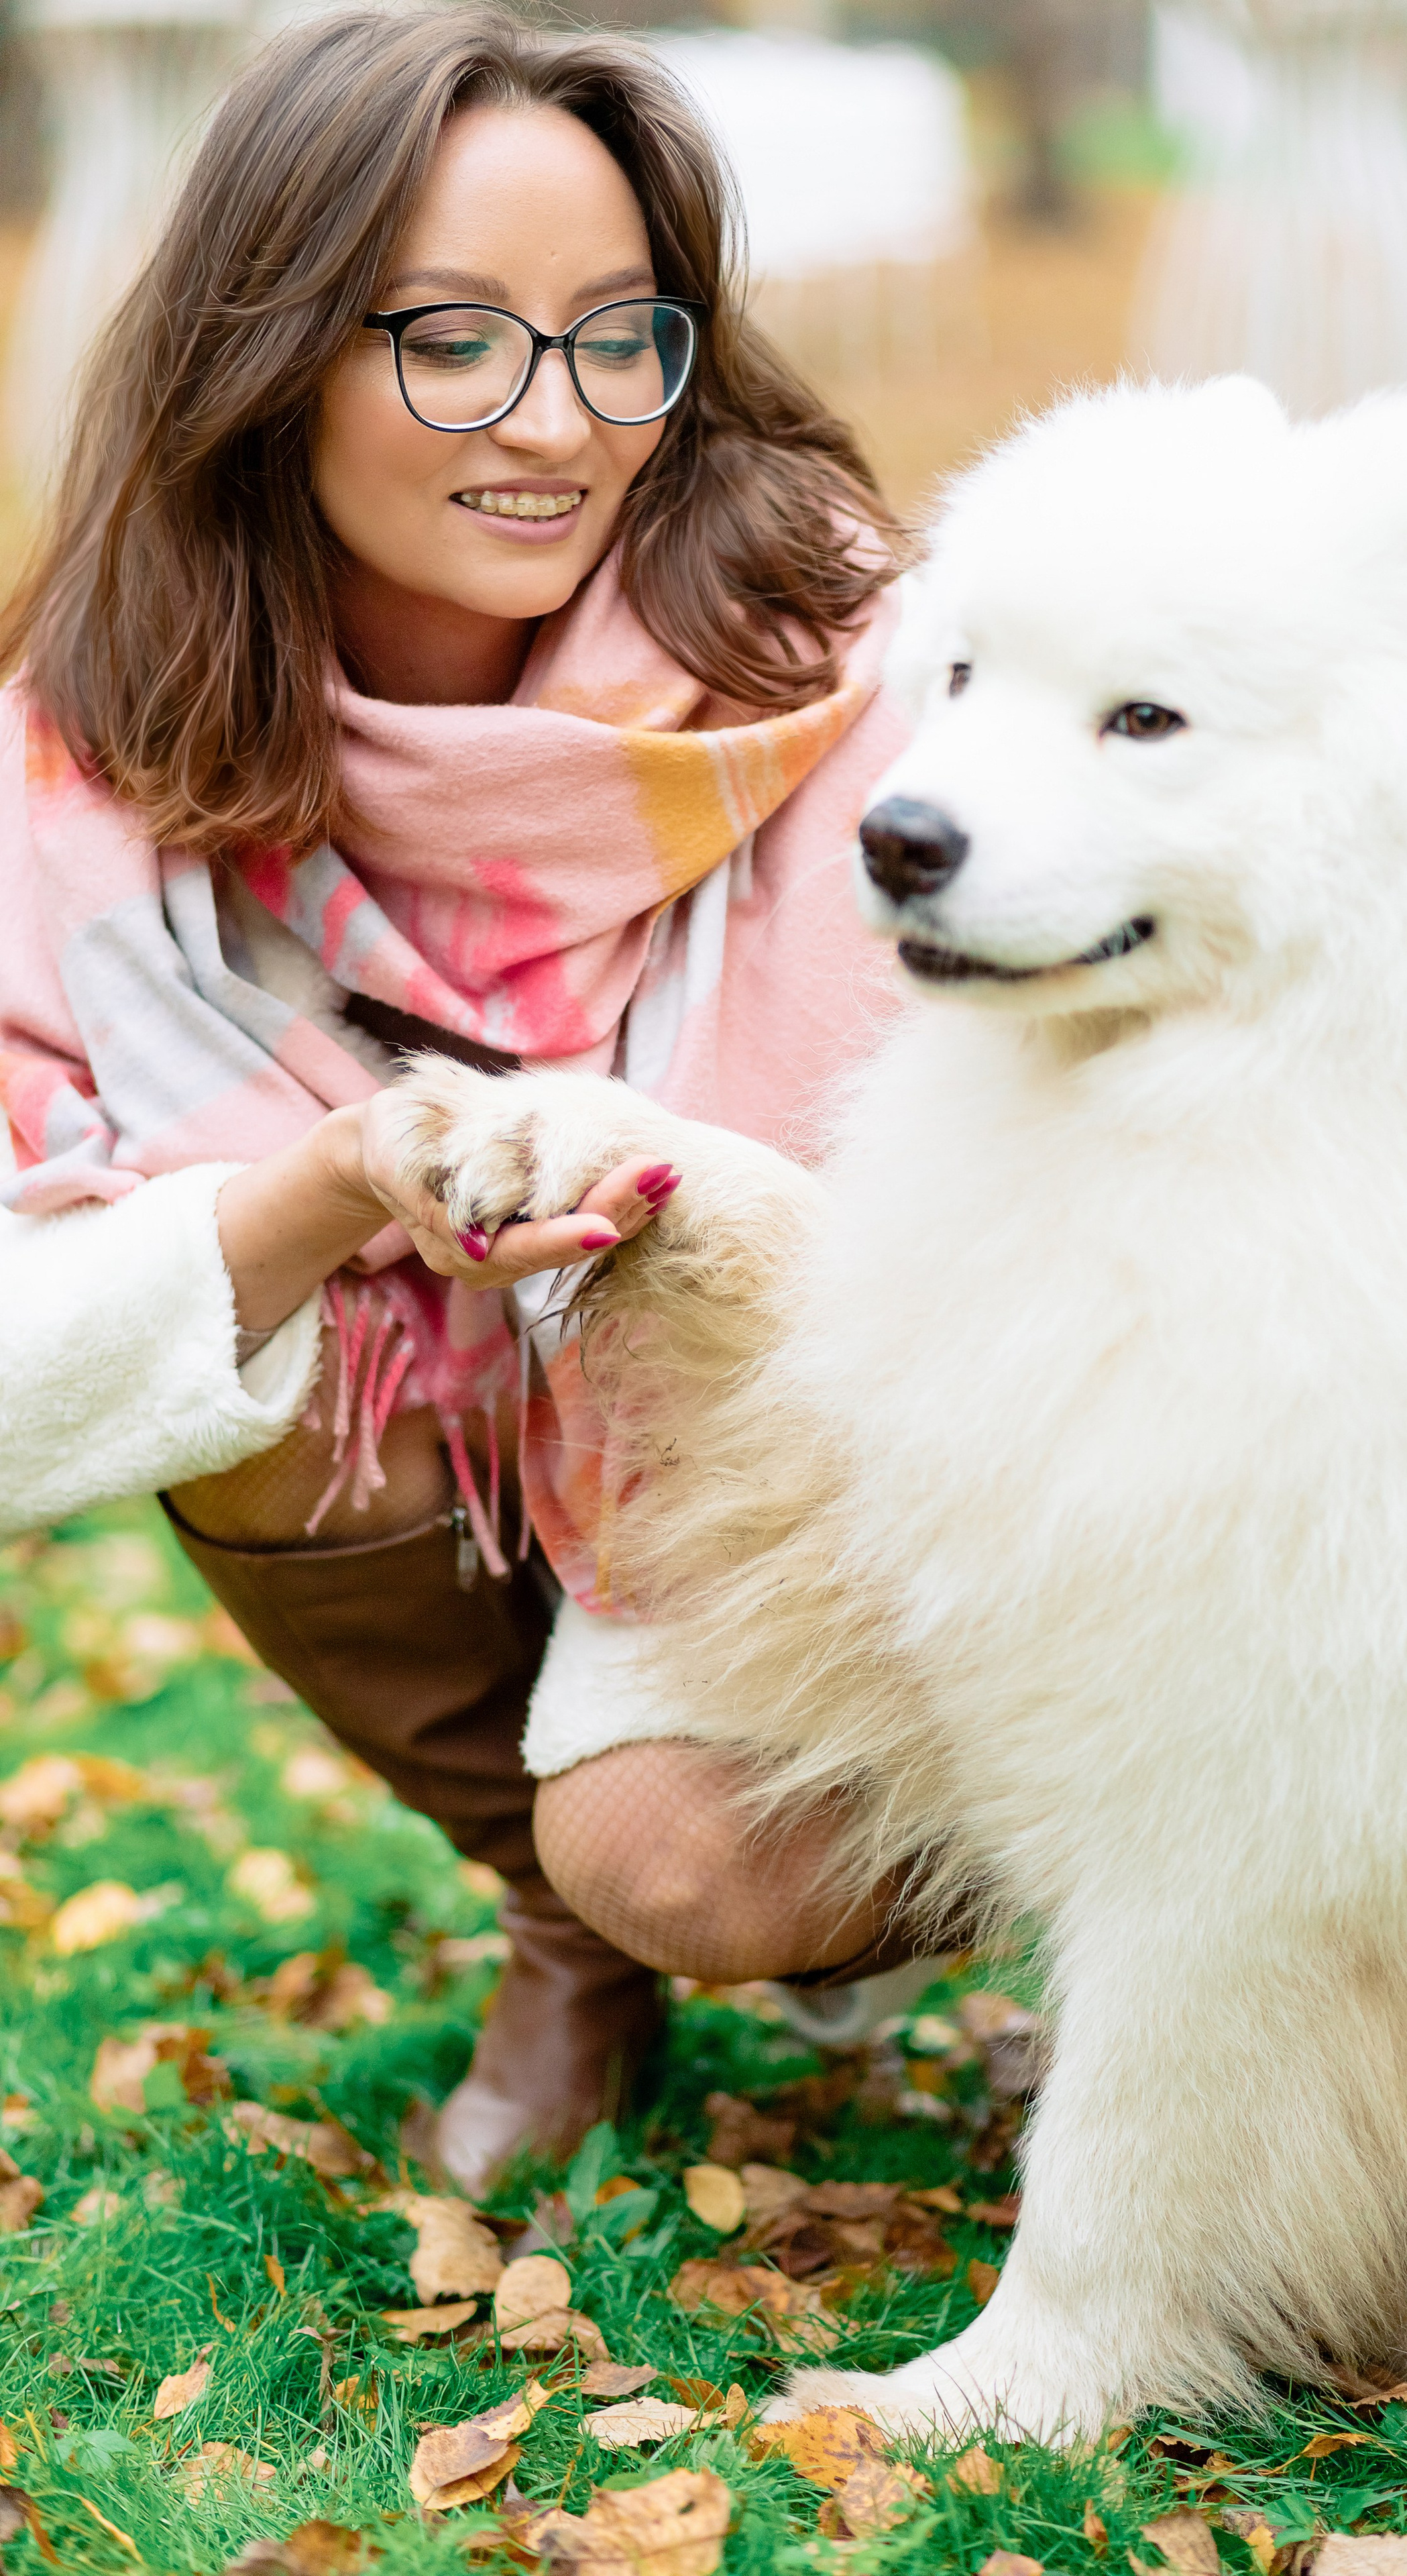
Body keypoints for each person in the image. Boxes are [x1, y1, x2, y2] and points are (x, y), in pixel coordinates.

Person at [0, 7, 942, 2194]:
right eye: (454, 341)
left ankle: (1166, 1894)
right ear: (272, 349)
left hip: (867, 1477)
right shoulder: (84, 770)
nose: (558, 425)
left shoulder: (855, 665)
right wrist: (319, 1193)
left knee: (705, 1857)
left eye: (625, 339)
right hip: (468, 1445)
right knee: (226, 1312)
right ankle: (556, 1935)